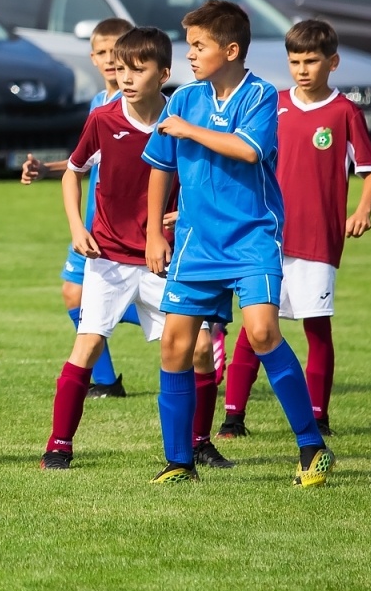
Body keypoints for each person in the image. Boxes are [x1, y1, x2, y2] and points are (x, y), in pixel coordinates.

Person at [143, 0, 334, 487]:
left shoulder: (260, 96)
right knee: (174, 345)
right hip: (195, 244)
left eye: (198, 46)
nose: (190, 54)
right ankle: (179, 461)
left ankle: (312, 448)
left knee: (264, 331)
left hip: (251, 237)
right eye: (189, 46)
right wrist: (152, 234)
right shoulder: (182, 98)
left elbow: (249, 150)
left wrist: (190, 131)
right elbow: (161, 168)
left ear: (230, 50)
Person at [40, 28, 234, 468]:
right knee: (86, 346)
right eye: (121, 69)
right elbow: (73, 171)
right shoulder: (104, 119)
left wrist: (184, 215)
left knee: (200, 350)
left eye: (137, 69)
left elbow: (204, 184)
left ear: (164, 73)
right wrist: (76, 227)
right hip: (108, 258)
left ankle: (200, 442)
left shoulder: (183, 123)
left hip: (163, 260)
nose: (125, 77)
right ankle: (58, 445)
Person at [219, 18, 371, 438]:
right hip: (268, 237)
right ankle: (234, 416)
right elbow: (244, 156)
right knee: (255, 326)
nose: (303, 69)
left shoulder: (344, 112)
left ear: (333, 62)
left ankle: (318, 415)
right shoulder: (274, 104)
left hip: (316, 240)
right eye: (295, 61)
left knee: (316, 326)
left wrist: (362, 209)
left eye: (312, 61)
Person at [22, 17, 136, 398]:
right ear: (92, 57)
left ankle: (200, 323)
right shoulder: (98, 103)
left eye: (116, 52)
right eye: (102, 52)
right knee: (74, 293)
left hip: (123, 221)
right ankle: (105, 382)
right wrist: (46, 170)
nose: (109, 59)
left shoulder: (135, 102)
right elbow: (86, 160)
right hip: (92, 218)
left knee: (101, 296)